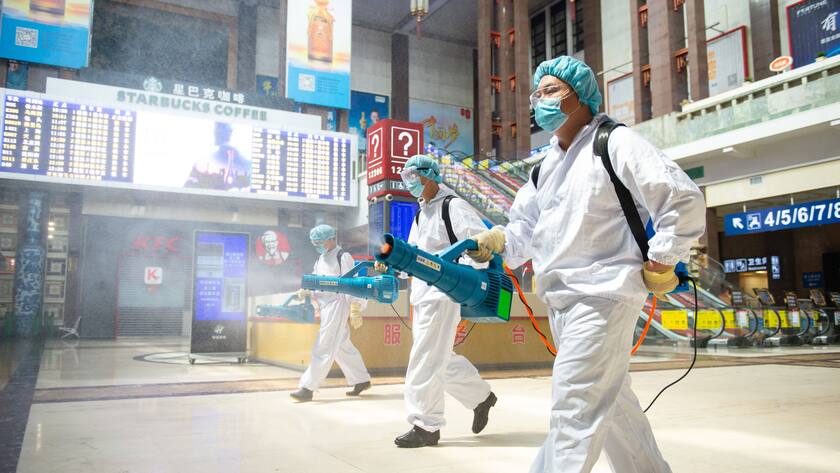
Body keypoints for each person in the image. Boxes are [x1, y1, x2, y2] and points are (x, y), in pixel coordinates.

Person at [469, 56, 706, 473]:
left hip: (604, 296)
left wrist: (661, 259)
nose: (539, 100)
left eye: (550, 90)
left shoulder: (614, 142)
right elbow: (523, 228)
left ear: (581, 97)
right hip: (563, 301)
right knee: (612, 407)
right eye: (537, 93)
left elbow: (681, 199)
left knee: (575, 408)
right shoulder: (546, 167)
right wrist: (497, 240)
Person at [388, 154, 497, 448]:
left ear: (429, 176)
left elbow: (480, 247)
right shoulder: (421, 213)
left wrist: (465, 281)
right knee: (439, 357)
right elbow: (413, 251)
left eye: (413, 176)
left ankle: (426, 425)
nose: (408, 182)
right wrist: (395, 264)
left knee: (425, 357)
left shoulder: (454, 207)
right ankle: (481, 397)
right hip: (423, 294)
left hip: (444, 293)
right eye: (406, 176)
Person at [290, 224, 372, 402]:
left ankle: (307, 387)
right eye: (314, 242)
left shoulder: (343, 256)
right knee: (341, 345)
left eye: (319, 241)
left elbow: (352, 282)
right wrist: (306, 291)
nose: (317, 244)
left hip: (338, 304)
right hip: (326, 305)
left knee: (324, 345)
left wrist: (355, 306)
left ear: (331, 238)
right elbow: (316, 280)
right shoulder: (320, 259)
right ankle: (361, 379)